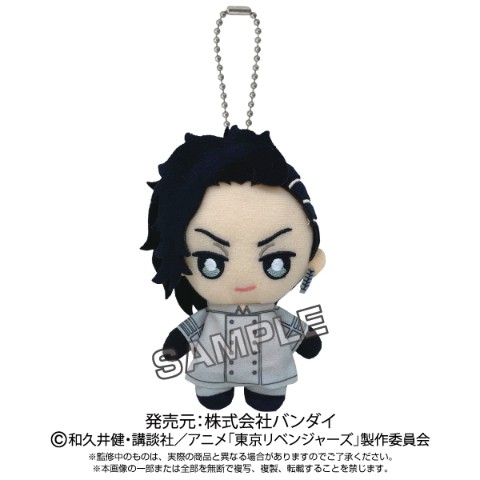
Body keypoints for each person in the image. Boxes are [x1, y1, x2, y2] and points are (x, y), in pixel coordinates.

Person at [142, 126, 326, 411]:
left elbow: (298, 331)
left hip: (268, 374)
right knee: (213, 392)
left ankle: (265, 392)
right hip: (214, 371)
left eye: (275, 263)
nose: (243, 277)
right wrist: (176, 345)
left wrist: (307, 340)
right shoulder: (211, 314)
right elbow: (189, 329)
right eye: (210, 263)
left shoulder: (272, 314)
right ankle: (217, 389)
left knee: (267, 394)